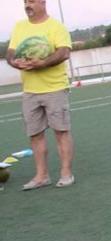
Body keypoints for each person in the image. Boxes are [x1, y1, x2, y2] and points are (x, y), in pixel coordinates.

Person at [5, 0, 74, 190]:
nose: (28, 5)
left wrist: (42, 63)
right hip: (30, 91)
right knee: (35, 135)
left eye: (32, 1)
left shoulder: (56, 27)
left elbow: (64, 52)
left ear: (43, 2)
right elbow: (10, 53)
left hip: (54, 88)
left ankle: (66, 174)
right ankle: (42, 176)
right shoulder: (19, 27)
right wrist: (15, 62)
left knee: (61, 132)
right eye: (25, 1)